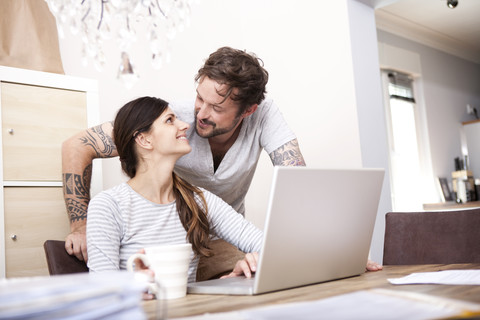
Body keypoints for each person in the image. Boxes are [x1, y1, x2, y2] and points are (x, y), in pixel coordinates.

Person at [63, 46, 382, 271]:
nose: (196, 116)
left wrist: (340, 253)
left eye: (215, 108)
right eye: (199, 98)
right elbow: (76, 145)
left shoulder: (203, 201)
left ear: (248, 111)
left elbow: (299, 188)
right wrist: (81, 225)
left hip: (215, 236)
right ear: (144, 139)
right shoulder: (114, 203)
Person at [87, 96, 263, 300]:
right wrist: (128, 286)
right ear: (144, 139)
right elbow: (101, 290)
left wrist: (253, 262)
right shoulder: (108, 205)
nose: (185, 125)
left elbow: (265, 244)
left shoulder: (198, 200)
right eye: (170, 120)